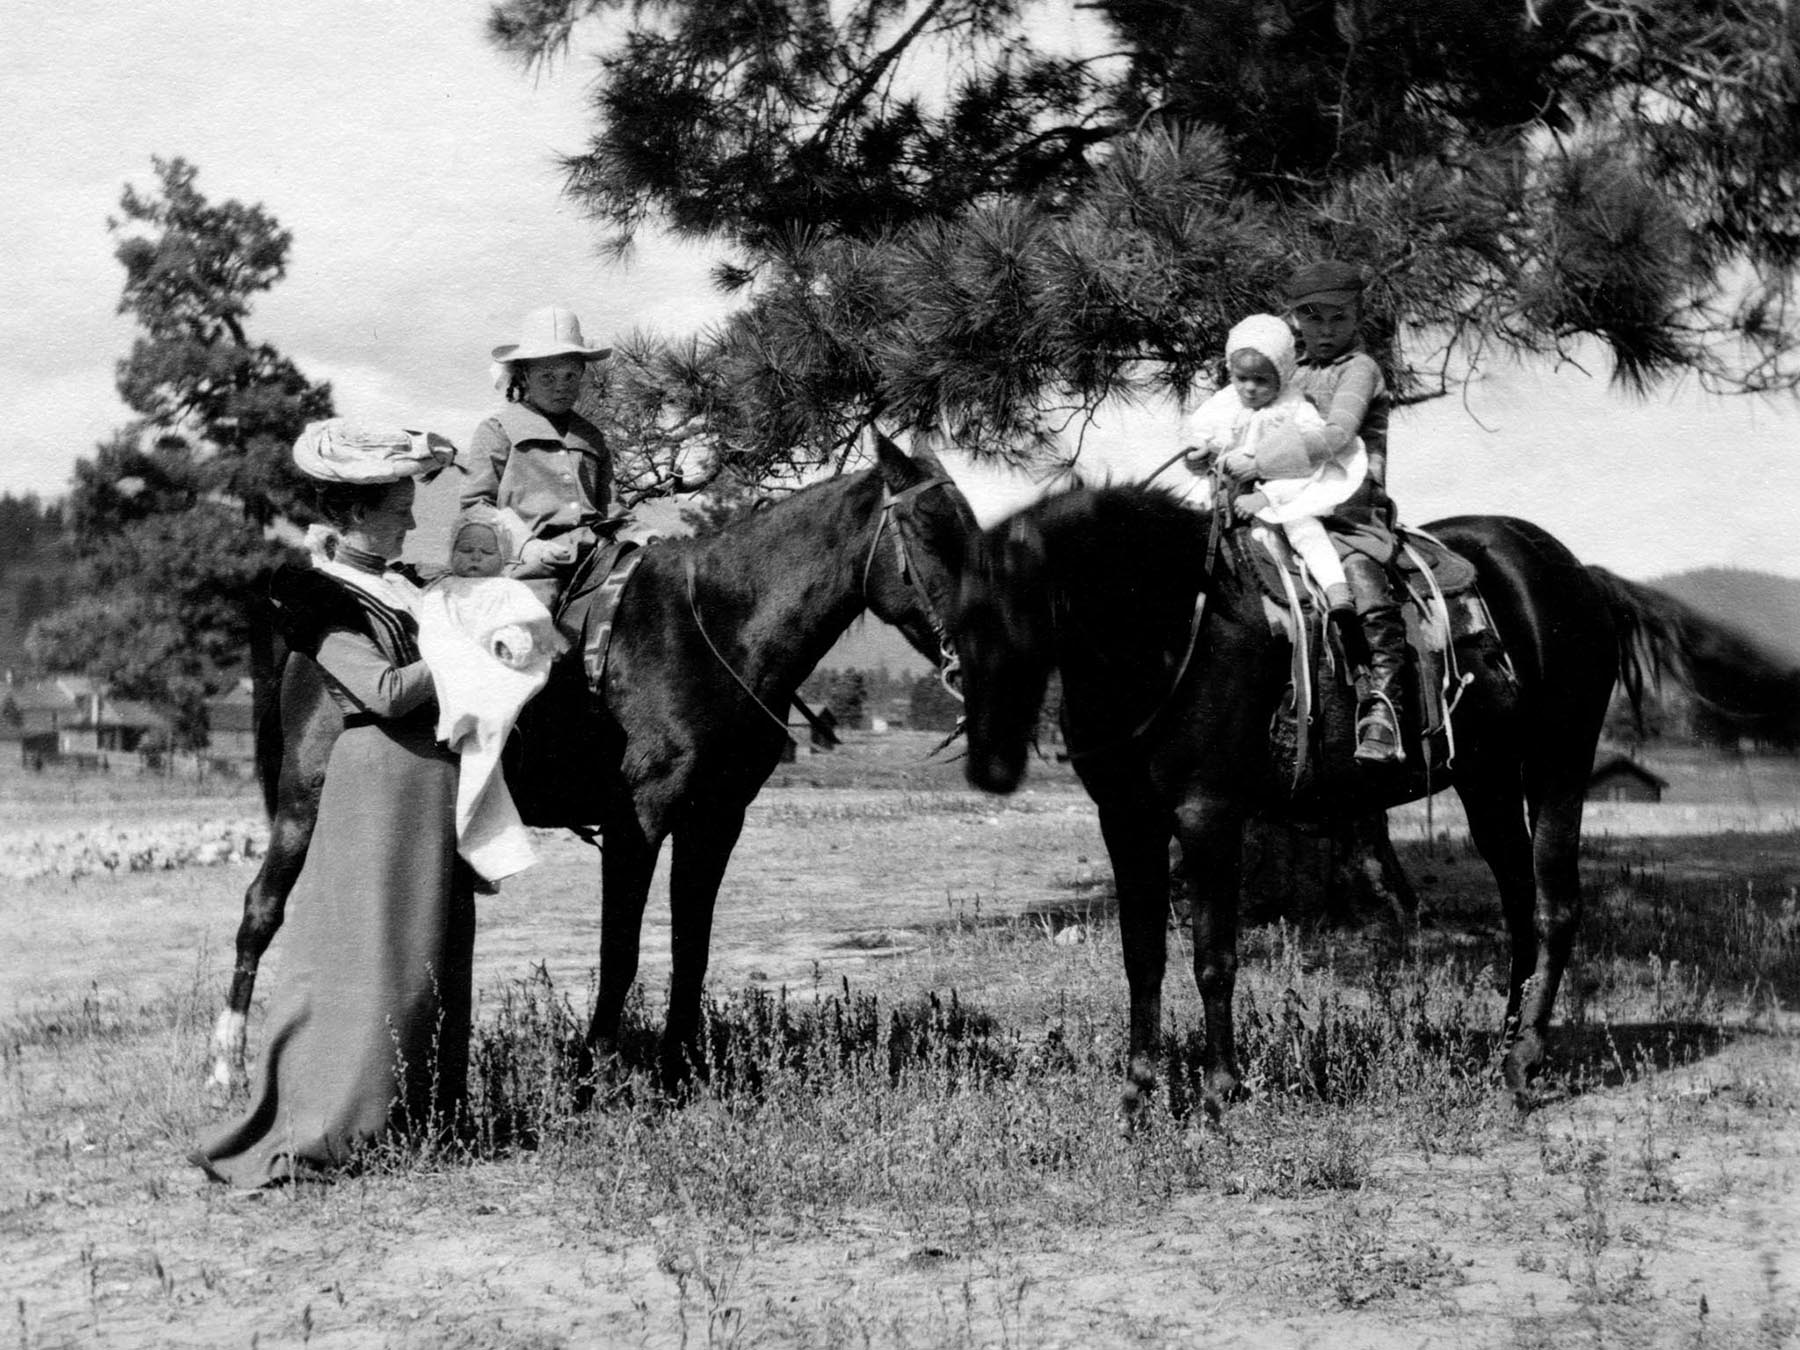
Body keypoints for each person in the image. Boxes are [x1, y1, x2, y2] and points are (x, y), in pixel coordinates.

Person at [191, 419, 470, 1186]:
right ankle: (335, 1123)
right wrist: (464, 652)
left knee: (422, 958)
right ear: (351, 512)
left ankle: (420, 1120)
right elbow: (381, 693)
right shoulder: (313, 593)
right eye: (397, 508)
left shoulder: (405, 587)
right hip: (375, 788)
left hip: (427, 788)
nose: (412, 519)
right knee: (367, 957)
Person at [1218, 261, 1408, 763]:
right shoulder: (1288, 372)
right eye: (1312, 317)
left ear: (1358, 317)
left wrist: (1258, 463)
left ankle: (1381, 704)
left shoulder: (1360, 370)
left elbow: (1336, 437)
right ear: (1294, 320)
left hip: (1347, 506)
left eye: (1338, 318)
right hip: (1276, 501)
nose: (1326, 330)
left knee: (1362, 581)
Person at [1181, 313, 1375, 671]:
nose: (1250, 389)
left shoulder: (1295, 410)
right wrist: (1198, 457)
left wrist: (1266, 497)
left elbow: (1306, 465)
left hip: (1281, 490)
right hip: (1222, 490)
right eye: (1242, 379)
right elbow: (1199, 435)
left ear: (1282, 376)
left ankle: (1339, 597)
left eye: (1261, 380)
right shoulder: (1225, 403)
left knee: (1304, 529)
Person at [416, 509, 563, 887]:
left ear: (504, 559)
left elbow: (531, 626)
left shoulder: (509, 590)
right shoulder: (440, 590)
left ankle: (479, 847)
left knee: (490, 724)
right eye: (465, 550)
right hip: (453, 669)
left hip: (495, 670)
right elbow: (432, 630)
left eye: (486, 551)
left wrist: (510, 642)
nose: (475, 558)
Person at [461, 305, 620, 609]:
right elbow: (476, 506)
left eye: (570, 376)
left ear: (582, 374)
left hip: (599, 556)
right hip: (532, 566)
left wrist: (647, 536)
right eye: (548, 376)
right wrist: (527, 545)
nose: (561, 386)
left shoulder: (591, 436)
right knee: (535, 633)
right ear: (525, 376)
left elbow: (613, 510)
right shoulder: (498, 430)